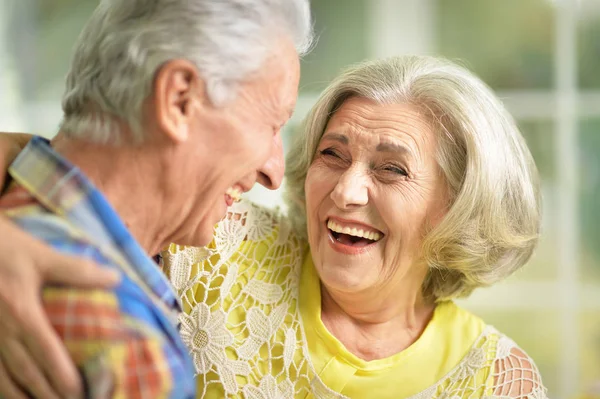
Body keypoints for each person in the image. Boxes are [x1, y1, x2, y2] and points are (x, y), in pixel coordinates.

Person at [159, 55, 548, 398]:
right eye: (332, 154)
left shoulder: (498, 384)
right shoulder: (210, 244)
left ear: (460, 207)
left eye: (392, 169)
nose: (346, 192)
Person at [0, 0, 312, 397]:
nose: (275, 171)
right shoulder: (129, 346)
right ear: (179, 98)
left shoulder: (16, 202)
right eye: (272, 124)